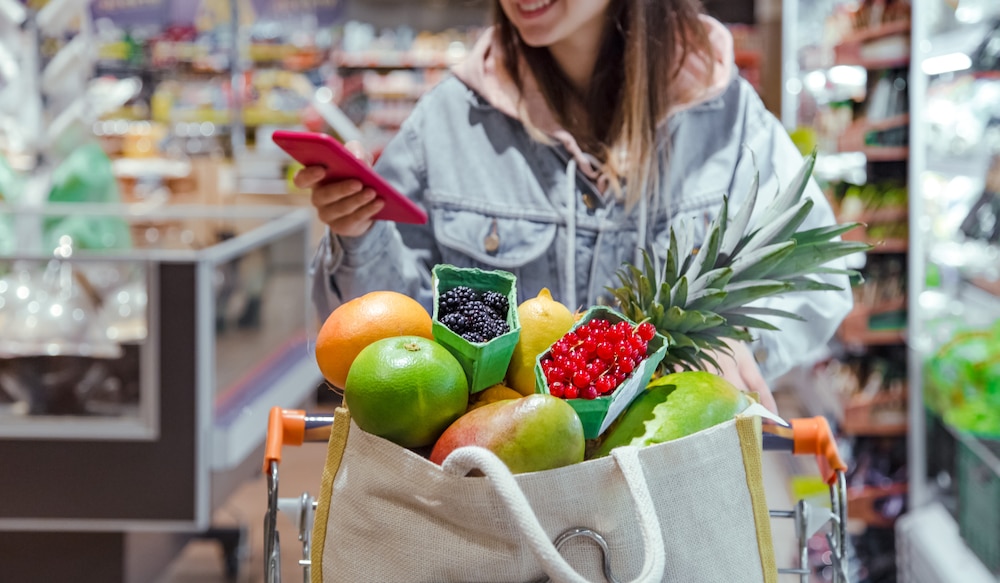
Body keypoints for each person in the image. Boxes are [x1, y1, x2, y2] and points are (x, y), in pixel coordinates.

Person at [296, 0, 853, 413]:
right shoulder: (448, 120)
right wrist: (359, 232)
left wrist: (735, 340)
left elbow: (820, 275)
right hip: (499, 496)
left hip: (671, 489)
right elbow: (387, 339)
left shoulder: (726, 115)